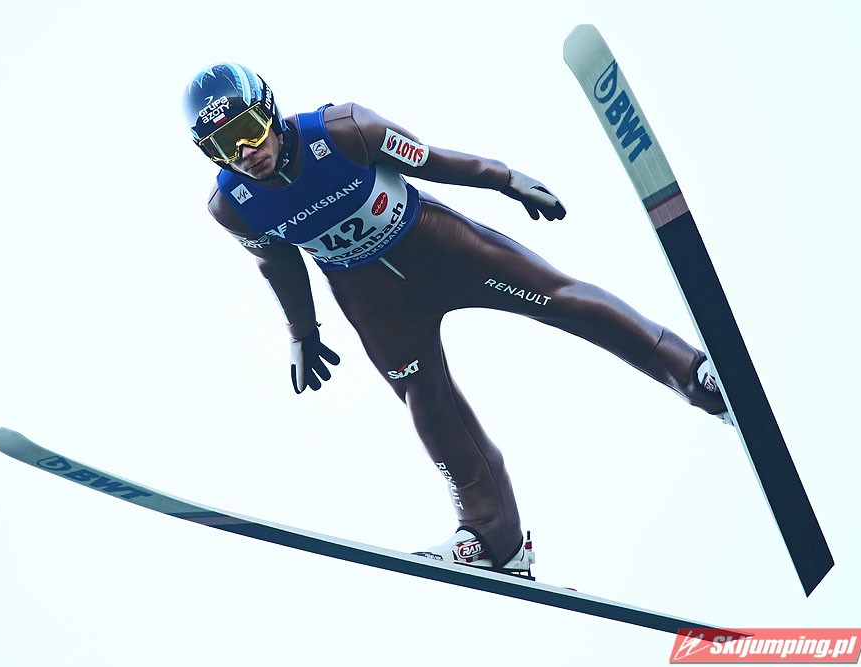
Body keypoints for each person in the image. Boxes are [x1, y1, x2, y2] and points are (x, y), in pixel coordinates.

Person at [185, 62, 728, 576]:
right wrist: (302, 332)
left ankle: (695, 375)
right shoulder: (231, 204)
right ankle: (495, 538)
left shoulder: (343, 129)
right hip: (375, 302)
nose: (244, 152)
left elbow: (430, 160)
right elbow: (277, 263)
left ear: (269, 110)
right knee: (427, 405)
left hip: (442, 249)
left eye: (248, 130)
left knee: (562, 300)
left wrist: (504, 178)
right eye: (223, 146)